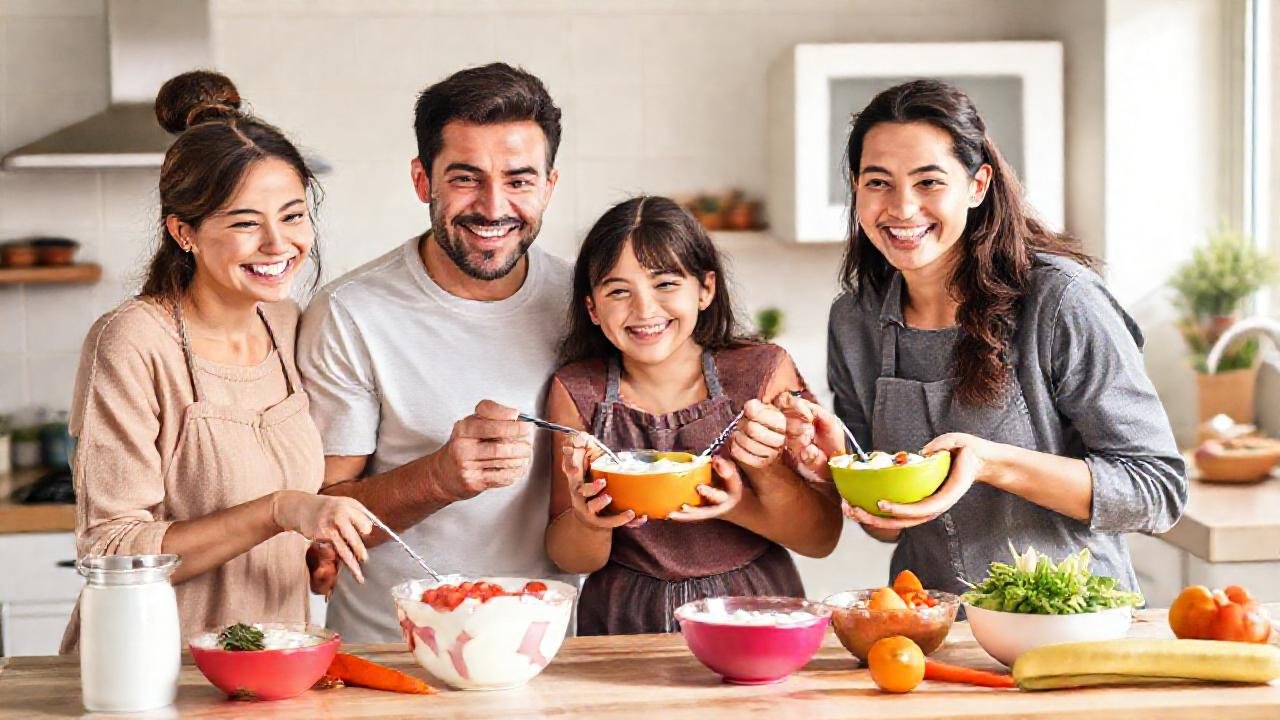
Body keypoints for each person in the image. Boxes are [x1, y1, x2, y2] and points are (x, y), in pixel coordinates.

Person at [781, 79, 1187, 597]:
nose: (902, 208)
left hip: (1070, 625)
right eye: (878, 182)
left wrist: (991, 463)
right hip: (932, 627)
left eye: (929, 182)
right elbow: (888, 527)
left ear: (977, 185)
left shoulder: (1060, 301)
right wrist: (837, 461)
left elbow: (1157, 491)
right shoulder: (855, 320)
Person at [61, 71, 372, 652]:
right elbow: (109, 549)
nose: (279, 244)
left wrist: (308, 544)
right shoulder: (132, 342)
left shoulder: (284, 323)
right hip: (152, 671)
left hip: (270, 667)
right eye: (245, 223)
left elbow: (273, 501)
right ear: (184, 232)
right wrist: (280, 512)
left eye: (293, 215)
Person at [297, 63, 573, 642]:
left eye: (520, 181)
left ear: (549, 186)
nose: (494, 207)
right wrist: (442, 477)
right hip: (390, 653)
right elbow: (320, 521)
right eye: (466, 178)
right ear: (423, 180)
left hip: (544, 651)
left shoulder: (588, 305)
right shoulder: (350, 312)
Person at [545, 196, 842, 634]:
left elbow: (821, 538)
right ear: (592, 308)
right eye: (618, 290)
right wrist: (589, 521)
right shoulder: (576, 391)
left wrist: (738, 502)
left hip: (751, 608)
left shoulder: (761, 373)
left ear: (705, 289)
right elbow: (568, 556)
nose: (644, 310)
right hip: (622, 620)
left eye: (665, 284)